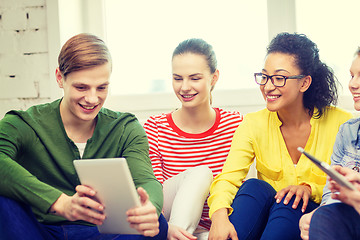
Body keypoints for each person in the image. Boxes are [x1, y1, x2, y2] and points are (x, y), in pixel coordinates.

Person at [0, 33, 167, 240]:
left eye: (102, 87)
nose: (92, 98)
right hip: (39, 232)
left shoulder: (126, 128)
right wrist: (60, 203)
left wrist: (149, 208)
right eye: (81, 87)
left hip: (104, 234)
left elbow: (146, 180)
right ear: (60, 78)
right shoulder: (25, 123)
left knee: (157, 224)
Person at [207, 32, 353, 240]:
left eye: (279, 78)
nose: (267, 86)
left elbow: (351, 186)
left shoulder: (342, 124)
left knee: (289, 200)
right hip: (264, 214)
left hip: (306, 217)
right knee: (253, 187)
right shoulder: (253, 123)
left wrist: (310, 189)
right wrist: (219, 216)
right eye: (264, 77)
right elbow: (228, 178)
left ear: (304, 83)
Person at [143, 38, 243, 240]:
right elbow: (154, 192)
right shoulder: (155, 127)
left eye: (194, 78)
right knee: (200, 174)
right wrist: (166, 228)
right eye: (177, 78)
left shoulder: (235, 125)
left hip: (213, 229)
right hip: (170, 224)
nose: (184, 87)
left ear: (214, 78)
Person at [299, 47, 360, 240]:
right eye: (352, 75)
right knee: (322, 217)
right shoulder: (348, 131)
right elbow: (330, 192)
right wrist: (318, 214)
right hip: (350, 219)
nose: (353, 84)